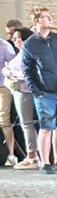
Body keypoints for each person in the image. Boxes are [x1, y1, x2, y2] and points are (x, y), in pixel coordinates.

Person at [21, 7, 57, 174]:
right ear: (36, 20)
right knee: (46, 127)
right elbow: (27, 70)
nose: (50, 19)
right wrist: (36, 91)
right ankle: (45, 162)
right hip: (45, 93)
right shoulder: (30, 44)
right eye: (46, 17)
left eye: (51, 16)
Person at [4, 27, 38, 167]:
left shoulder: (27, 53)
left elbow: (28, 73)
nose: (14, 40)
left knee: (26, 123)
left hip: (24, 90)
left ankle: (32, 156)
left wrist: (11, 74)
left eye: (17, 37)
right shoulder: (22, 53)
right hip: (19, 90)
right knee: (26, 123)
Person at [0, 31, 15, 165]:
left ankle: (11, 154)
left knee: (4, 120)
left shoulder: (5, 47)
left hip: (3, 87)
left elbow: (13, 66)